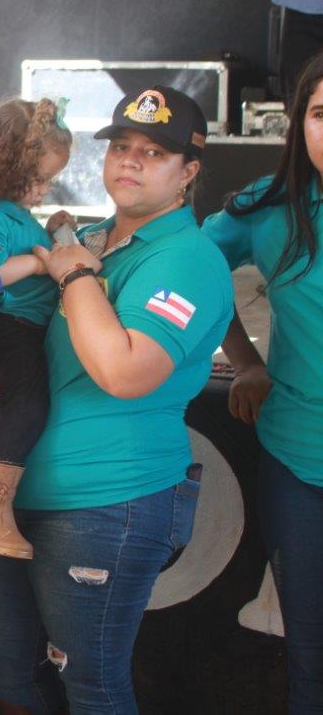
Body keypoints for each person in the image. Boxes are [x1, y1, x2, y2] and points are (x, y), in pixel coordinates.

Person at [0, 86, 234, 713]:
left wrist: (76, 273)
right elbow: (22, 325)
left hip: (110, 500)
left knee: (90, 684)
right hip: (20, 493)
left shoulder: (187, 259)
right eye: (122, 147)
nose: (131, 160)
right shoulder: (87, 238)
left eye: (155, 153)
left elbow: (123, 371)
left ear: (188, 172)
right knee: (8, 667)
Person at [202, 51, 323, 713]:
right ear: (298, 124)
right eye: (321, 113)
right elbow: (191, 265)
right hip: (298, 462)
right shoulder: (269, 207)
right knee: (310, 656)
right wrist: (245, 361)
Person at [0, 97, 73, 559]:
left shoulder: (13, 212)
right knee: (28, 403)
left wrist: (54, 228)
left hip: (22, 325)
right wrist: (40, 263)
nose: (44, 190)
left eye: (50, 181)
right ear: (6, 166)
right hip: (8, 326)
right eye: (39, 180)